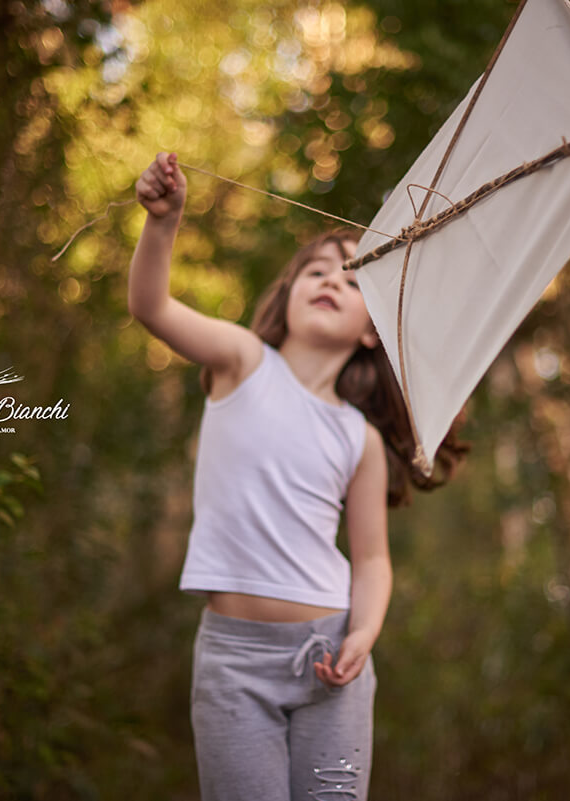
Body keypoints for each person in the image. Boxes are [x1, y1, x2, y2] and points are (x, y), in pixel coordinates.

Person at [128, 151, 467, 801]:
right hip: (232, 663)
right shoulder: (241, 361)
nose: (330, 279)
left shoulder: (359, 438)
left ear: (372, 333)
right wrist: (164, 222)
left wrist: (364, 632)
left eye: (350, 277)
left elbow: (370, 560)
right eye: (316, 270)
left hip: (330, 661)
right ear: (287, 296)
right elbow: (150, 307)